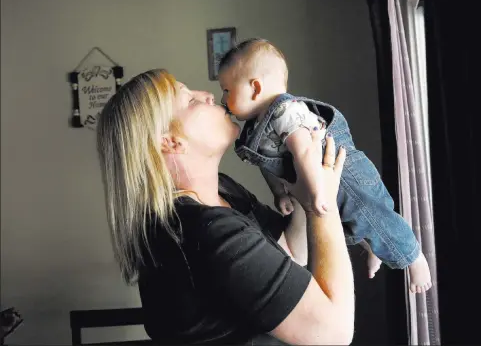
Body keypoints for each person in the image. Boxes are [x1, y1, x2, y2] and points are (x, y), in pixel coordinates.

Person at [96, 69, 354, 345]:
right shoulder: (202, 231)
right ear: (171, 142)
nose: (208, 95)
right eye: (191, 100)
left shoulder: (223, 190)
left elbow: (291, 250)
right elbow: (333, 333)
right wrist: (321, 204)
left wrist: (306, 187)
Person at [218, 38, 432, 293]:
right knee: (343, 223)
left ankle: (412, 256)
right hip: (316, 177)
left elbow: (305, 150)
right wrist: (279, 192)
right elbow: (269, 164)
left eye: (227, 90)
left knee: (368, 212)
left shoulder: (285, 112)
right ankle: (374, 247)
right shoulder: (256, 127)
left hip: (342, 175)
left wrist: (317, 191)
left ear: (255, 88)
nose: (223, 98)